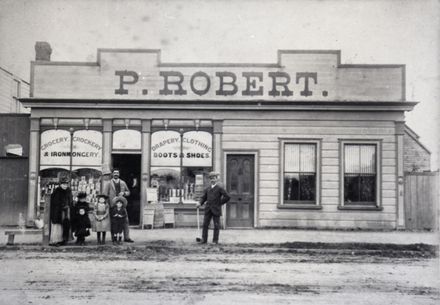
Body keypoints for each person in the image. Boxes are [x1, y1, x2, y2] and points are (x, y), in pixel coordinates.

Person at [196, 171, 230, 244]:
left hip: (216, 209)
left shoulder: (220, 188)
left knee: (216, 225)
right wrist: (199, 203)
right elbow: (203, 197)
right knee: (205, 224)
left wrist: (220, 203)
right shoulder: (207, 188)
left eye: (214, 178)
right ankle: (204, 240)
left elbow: (227, 197)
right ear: (209, 179)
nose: (212, 180)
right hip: (208, 209)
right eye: (211, 178)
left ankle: (215, 240)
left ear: (216, 179)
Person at [102, 169, 134, 243]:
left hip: (122, 205)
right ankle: (114, 238)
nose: (116, 174)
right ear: (112, 174)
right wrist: (107, 204)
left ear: (119, 174)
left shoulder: (123, 183)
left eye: (117, 173)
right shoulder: (109, 183)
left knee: (125, 221)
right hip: (112, 205)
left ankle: (127, 237)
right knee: (114, 222)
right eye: (114, 173)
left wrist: (124, 193)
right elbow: (105, 195)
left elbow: (128, 192)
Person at [49, 176, 73, 246]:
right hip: (58, 212)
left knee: (65, 225)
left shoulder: (69, 190)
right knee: (58, 226)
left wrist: (69, 206)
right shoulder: (57, 191)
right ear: (60, 184)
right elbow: (55, 202)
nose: (65, 185)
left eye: (66, 184)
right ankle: (56, 241)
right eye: (63, 184)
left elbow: (70, 200)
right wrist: (62, 206)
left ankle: (64, 239)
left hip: (66, 211)